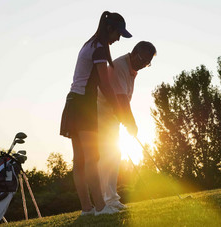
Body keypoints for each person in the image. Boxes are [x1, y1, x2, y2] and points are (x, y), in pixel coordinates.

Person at [60, 11, 132, 216]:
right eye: (118, 33)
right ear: (109, 29)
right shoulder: (99, 49)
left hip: (73, 102)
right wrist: (119, 110)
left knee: (80, 160)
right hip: (83, 105)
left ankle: (87, 209)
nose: (118, 38)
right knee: (93, 157)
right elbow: (105, 84)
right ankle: (100, 207)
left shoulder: (89, 44)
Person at [97, 41, 157, 209]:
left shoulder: (132, 69)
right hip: (101, 114)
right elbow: (122, 99)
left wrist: (126, 120)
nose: (144, 64)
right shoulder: (120, 66)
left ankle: (112, 199)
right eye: (142, 59)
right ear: (134, 52)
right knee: (106, 157)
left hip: (112, 116)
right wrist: (131, 123)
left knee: (114, 156)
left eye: (147, 62)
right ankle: (106, 201)